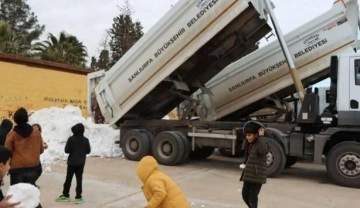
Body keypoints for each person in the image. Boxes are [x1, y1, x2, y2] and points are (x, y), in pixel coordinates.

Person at [4, 107, 44, 186]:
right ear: (27, 118)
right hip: (33, 169)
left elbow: (7, 152)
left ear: (15, 120)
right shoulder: (36, 133)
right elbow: (41, 150)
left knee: (16, 195)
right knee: (28, 195)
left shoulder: (12, 135)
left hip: (17, 170)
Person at [56, 123, 91, 204]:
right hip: (81, 163)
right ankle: (78, 197)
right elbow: (88, 151)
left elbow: (66, 150)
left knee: (68, 179)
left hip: (72, 163)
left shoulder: (71, 139)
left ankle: (65, 195)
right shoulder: (86, 140)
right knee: (79, 180)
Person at [239, 121, 269, 208]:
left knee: (253, 197)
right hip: (249, 173)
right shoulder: (250, 143)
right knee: (245, 195)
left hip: (257, 174)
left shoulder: (262, 143)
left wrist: (262, 137)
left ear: (256, 135)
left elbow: (263, 151)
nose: (247, 137)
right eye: (246, 135)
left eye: (249, 135)